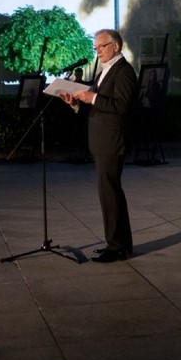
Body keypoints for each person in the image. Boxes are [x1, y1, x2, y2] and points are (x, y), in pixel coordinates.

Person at [58, 29, 138, 262]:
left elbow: (122, 106)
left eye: (101, 46)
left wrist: (92, 98)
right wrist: (76, 102)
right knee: (109, 192)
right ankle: (120, 244)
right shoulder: (106, 70)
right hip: (103, 139)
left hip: (112, 140)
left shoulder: (123, 71)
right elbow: (99, 103)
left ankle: (117, 247)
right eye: (96, 48)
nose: (98, 51)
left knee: (110, 193)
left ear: (116, 46)